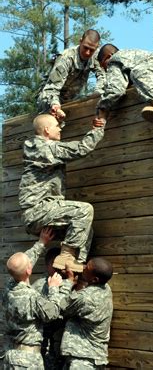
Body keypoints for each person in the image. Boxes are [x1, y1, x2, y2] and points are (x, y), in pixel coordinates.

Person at [18, 113, 105, 272]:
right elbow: (81, 148)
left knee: (85, 230)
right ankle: (66, 258)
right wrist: (97, 129)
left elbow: (52, 131)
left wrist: (60, 121)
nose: (60, 130)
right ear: (46, 130)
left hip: (40, 214)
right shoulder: (48, 148)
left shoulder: (36, 146)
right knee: (84, 210)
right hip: (39, 211)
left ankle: (74, 267)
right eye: (57, 127)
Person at [2, 228, 74, 370]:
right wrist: (57, 286)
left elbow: (21, 264)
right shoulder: (33, 297)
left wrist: (41, 242)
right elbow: (52, 313)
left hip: (9, 356)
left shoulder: (8, 288)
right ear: (29, 270)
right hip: (27, 360)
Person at [37, 29, 105, 120]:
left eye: (91, 50)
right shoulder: (66, 58)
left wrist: (98, 92)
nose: (87, 52)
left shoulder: (96, 56)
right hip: (49, 97)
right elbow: (50, 89)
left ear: (97, 47)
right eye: (85, 47)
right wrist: (55, 104)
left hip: (73, 97)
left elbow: (103, 76)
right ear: (80, 41)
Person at [60, 257, 113, 369]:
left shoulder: (85, 298)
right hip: (95, 357)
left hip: (82, 360)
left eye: (87, 268)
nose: (83, 268)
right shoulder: (106, 289)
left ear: (95, 280)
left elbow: (61, 308)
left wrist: (68, 282)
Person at [32, 247, 65, 369]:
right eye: (54, 264)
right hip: (45, 341)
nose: (59, 268)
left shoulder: (70, 281)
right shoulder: (39, 285)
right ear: (47, 265)